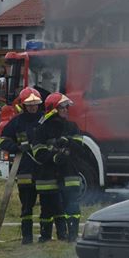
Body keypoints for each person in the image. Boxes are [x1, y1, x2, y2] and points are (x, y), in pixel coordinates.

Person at [32, 93, 83, 242]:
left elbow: (80, 148)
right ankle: (45, 237)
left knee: (72, 206)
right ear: (53, 109)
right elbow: (38, 153)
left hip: (69, 173)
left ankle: (72, 236)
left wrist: (68, 142)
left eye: (67, 107)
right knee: (47, 208)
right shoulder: (42, 129)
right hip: (48, 175)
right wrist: (54, 157)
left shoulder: (72, 127)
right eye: (62, 107)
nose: (66, 110)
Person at [0, 87, 44, 244]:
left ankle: (45, 237)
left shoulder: (44, 120)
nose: (33, 107)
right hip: (25, 168)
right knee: (26, 206)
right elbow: (3, 140)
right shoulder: (17, 122)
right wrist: (16, 148)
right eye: (29, 105)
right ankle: (27, 237)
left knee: (47, 205)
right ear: (24, 105)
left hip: (43, 169)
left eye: (35, 104)